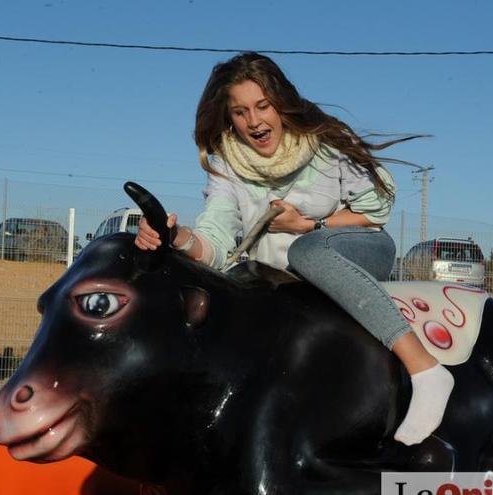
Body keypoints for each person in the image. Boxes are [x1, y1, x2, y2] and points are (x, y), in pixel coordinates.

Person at [134, 52, 454, 445]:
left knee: (306, 251)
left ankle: (426, 370)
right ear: (228, 117)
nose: (254, 122)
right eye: (240, 112)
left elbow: (377, 209)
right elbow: (216, 245)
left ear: (280, 103)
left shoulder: (324, 141)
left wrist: (310, 225)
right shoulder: (227, 166)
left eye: (262, 106)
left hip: (353, 247)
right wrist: (176, 237)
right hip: (281, 280)